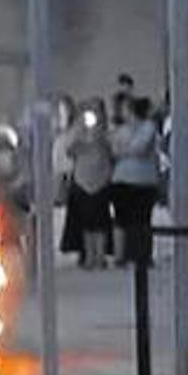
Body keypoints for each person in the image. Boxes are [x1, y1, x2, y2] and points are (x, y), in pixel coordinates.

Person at [109, 97, 160, 266]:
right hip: (121, 179)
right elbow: (113, 150)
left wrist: (125, 149)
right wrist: (127, 149)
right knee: (122, 219)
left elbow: (141, 148)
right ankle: (121, 255)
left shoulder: (149, 127)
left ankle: (142, 255)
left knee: (142, 219)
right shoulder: (120, 130)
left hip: (144, 180)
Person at [63, 98, 112, 269]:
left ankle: (100, 256)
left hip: (101, 180)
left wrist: (99, 139)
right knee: (86, 223)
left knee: (100, 222)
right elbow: (68, 150)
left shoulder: (105, 132)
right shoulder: (78, 132)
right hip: (82, 180)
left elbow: (112, 150)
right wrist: (80, 135)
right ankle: (89, 255)